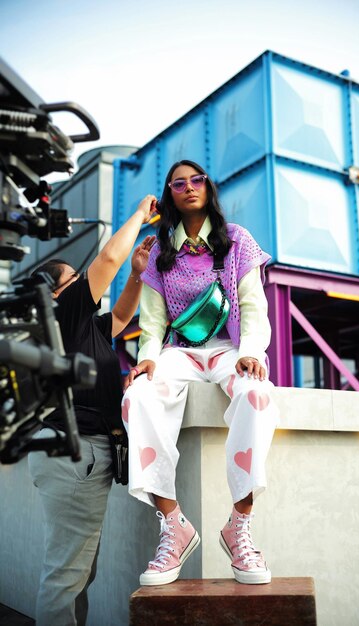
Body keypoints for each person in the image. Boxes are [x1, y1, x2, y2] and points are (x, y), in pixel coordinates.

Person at [123, 160, 279, 587]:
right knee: (136, 396)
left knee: (257, 395)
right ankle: (173, 524)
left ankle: (239, 526)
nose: (189, 187)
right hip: (181, 353)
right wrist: (148, 359)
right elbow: (152, 322)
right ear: (169, 194)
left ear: (208, 186)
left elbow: (252, 304)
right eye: (179, 183)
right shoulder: (159, 252)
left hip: (230, 349)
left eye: (197, 180)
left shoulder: (237, 241)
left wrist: (250, 351)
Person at [28, 195, 157, 626]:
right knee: (67, 575)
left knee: (79, 572)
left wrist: (137, 275)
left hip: (79, 455)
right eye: (75, 278)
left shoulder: (83, 327)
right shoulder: (62, 314)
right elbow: (107, 258)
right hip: (76, 453)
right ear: (57, 293)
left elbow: (120, 316)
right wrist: (140, 215)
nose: (85, 280)